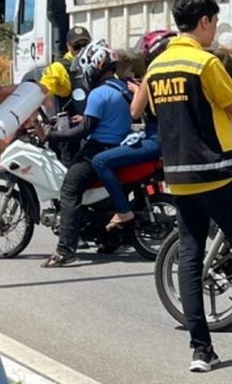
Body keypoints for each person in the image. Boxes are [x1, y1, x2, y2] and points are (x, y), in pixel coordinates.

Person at [145, 0, 232, 373]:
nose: (214, 30)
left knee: (190, 257)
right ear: (204, 22)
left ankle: (201, 350)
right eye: (213, 23)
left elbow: (157, 112)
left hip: (178, 178)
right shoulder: (204, 63)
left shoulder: (157, 66)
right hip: (215, 173)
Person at [41, 39, 134, 268]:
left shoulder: (98, 94)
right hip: (119, 146)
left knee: (70, 191)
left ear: (95, 67)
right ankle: (109, 240)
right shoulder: (122, 87)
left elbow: (83, 130)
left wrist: (49, 136)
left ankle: (65, 250)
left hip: (98, 148)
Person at [90, 30, 173, 231]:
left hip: (155, 140)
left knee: (100, 161)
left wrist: (138, 91)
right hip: (169, 139)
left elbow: (135, 112)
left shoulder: (151, 76)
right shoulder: (173, 74)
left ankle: (123, 211)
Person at [24, 26, 93, 165]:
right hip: (71, 131)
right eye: (76, 46)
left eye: (85, 45)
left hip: (94, 126)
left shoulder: (97, 63)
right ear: (68, 46)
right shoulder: (58, 67)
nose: (81, 49)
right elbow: (42, 91)